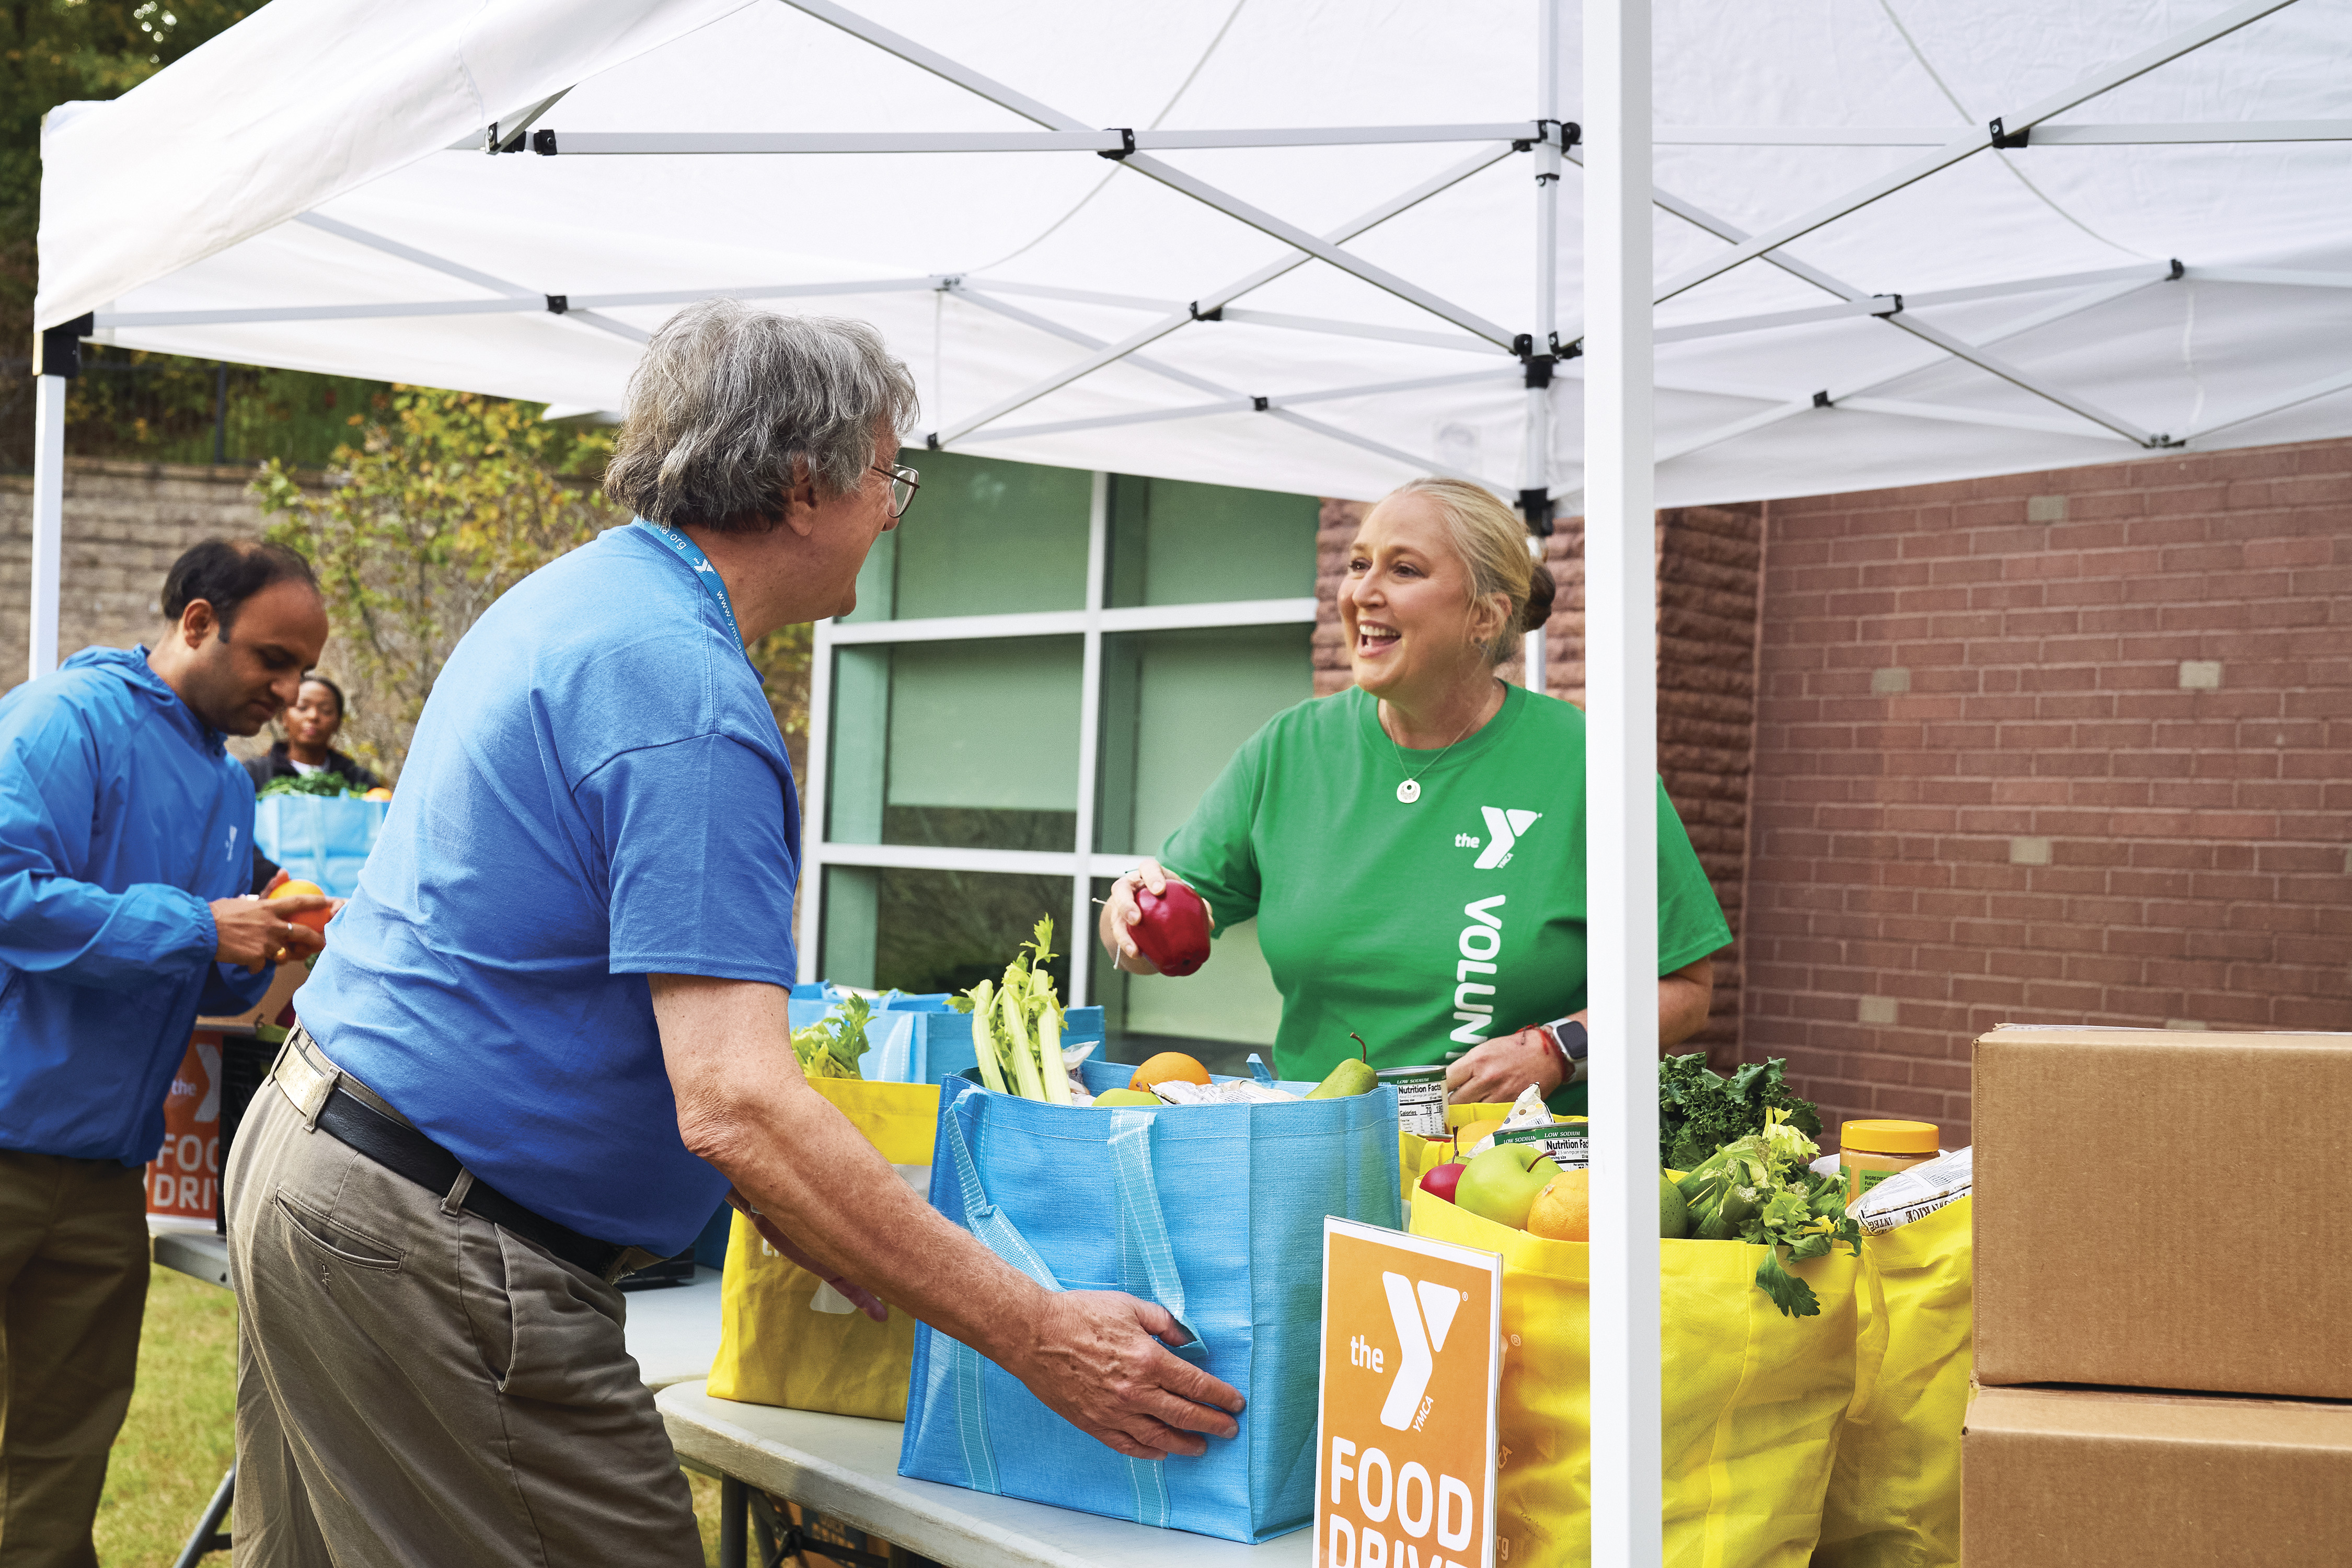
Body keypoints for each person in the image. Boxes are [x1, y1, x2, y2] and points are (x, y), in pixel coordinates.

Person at [226, 300, 1244, 1567]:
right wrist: (1036, 1330)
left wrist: (839, 1220)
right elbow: (736, 1102)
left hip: (326, 1157)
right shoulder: (686, 696)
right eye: (890, 476)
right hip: (437, 1232)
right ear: (805, 485)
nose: (892, 510)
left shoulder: (587, 595)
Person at [1100, 477, 1732, 1110]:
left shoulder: (1590, 764)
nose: (1361, 592)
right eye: (1357, 565)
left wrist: (1559, 1049)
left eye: (1403, 570)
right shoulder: (1290, 749)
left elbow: (1684, 988)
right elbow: (1158, 923)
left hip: (1518, 1185)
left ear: (1485, 615)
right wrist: (1127, 915)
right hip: (1314, 1156)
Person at [0, 539, 332, 1567]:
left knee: (63, 1461)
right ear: (195, 623)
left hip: (106, 1176)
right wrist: (200, 927)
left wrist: (266, 947)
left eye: (302, 670)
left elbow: (198, 974)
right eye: (271, 661)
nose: (288, 694)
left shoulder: (231, 789)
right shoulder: (63, 717)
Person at [244, 675, 381, 793]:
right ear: (284, 717)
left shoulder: (360, 781)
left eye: (326, 711)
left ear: (338, 723)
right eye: (302, 708)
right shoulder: (253, 775)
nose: (313, 716)